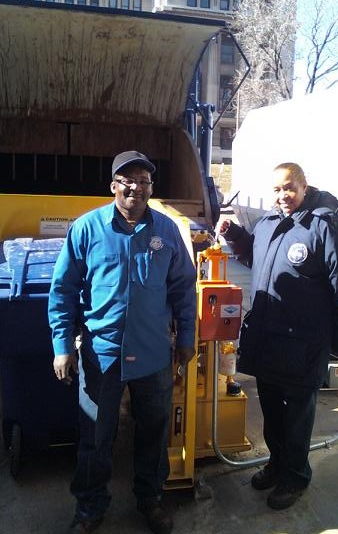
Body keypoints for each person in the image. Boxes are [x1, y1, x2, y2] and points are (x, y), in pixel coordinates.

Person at [48, 150, 197, 534]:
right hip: (101, 356)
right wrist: (62, 345)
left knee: (154, 432)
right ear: (113, 185)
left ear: (151, 188)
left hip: (153, 356)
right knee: (95, 436)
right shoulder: (85, 229)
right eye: (127, 180)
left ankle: (150, 500)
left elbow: (183, 290)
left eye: (144, 181)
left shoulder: (166, 231)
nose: (136, 187)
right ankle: (90, 507)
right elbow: (63, 290)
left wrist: (186, 339)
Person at [220, 162, 338, 510]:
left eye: (289, 188)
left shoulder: (323, 227)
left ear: (304, 185)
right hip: (269, 339)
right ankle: (277, 463)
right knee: (271, 410)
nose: (283, 196)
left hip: (304, 344)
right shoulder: (269, 223)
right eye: (277, 189)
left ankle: (296, 476)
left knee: (297, 416)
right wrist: (238, 236)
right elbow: (262, 261)